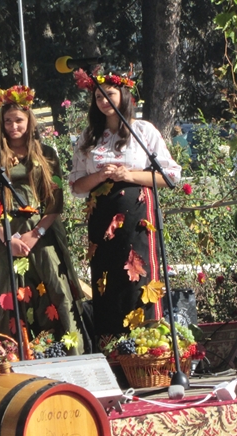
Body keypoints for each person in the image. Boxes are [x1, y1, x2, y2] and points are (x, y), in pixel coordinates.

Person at [69, 71, 182, 351]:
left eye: (109, 94)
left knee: (137, 275)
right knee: (106, 279)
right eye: (98, 96)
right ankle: (112, 351)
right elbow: (76, 185)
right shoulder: (89, 137)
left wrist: (129, 175)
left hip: (136, 215)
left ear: (123, 95)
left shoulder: (142, 130)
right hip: (101, 218)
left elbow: (170, 176)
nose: (103, 101)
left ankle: (147, 349)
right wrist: (100, 176)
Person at [0, 85, 87, 354]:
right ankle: (10, 355)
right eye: (8, 121)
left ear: (29, 121)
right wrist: (10, 240)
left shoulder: (47, 154)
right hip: (8, 234)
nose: (13, 126)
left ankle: (63, 352)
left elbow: (55, 202)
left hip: (41, 232)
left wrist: (35, 234)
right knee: (8, 295)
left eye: (19, 120)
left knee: (54, 289)